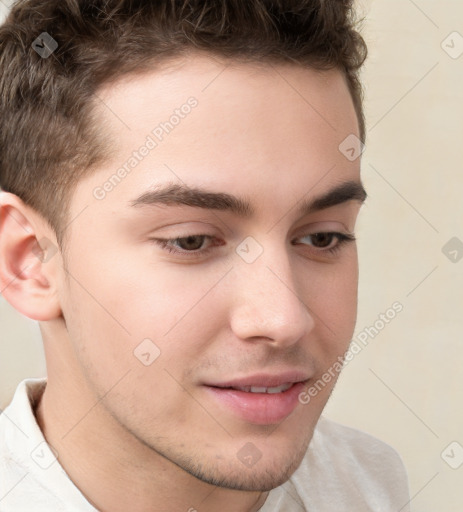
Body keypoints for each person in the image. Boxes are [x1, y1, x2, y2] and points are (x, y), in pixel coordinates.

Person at [0, 1, 410, 510]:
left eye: (322, 237)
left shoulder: (370, 486)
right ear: (30, 260)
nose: (284, 319)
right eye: (191, 240)